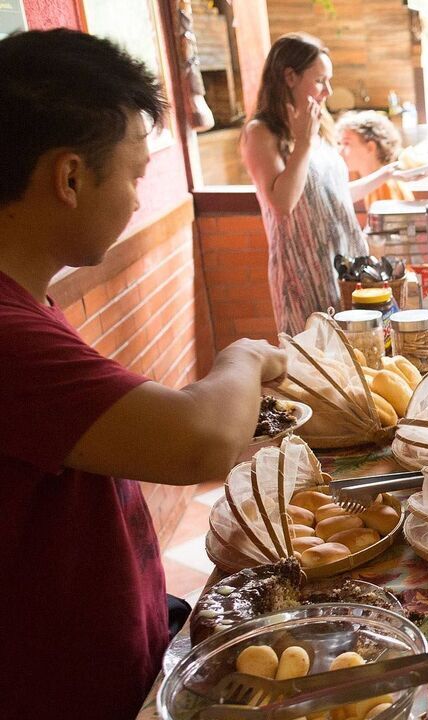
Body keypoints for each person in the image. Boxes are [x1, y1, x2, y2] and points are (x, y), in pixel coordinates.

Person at [0, 29, 288, 719]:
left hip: (117, 655)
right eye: (133, 174)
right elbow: (200, 438)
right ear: (69, 178)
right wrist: (244, 354)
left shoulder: (27, 301)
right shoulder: (8, 337)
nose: (136, 199)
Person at [243, 34, 422, 335]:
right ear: (289, 77)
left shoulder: (319, 126)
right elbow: (283, 204)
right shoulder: (261, 133)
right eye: (320, 81)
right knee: (316, 366)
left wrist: (385, 174)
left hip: (346, 267)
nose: (327, 91)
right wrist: (302, 143)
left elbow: (332, 197)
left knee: (363, 355)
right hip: (303, 272)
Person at [336, 109, 416, 210]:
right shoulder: (375, 182)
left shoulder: (384, 187)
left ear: (370, 147)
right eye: (340, 144)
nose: (340, 151)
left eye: (346, 143)